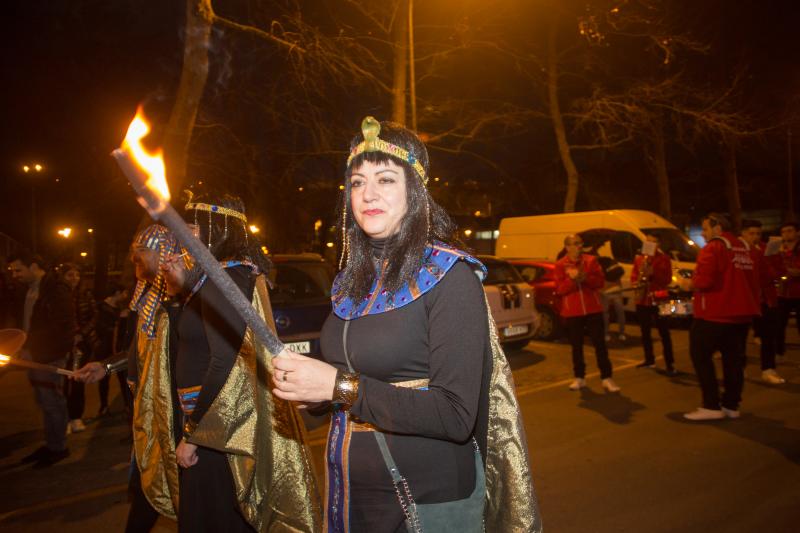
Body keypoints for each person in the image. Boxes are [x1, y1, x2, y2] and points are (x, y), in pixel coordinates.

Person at [271, 117, 540, 532]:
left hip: (427, 502)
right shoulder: (350, 283)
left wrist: (338, 387)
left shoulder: (450, 276)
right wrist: (314, 395)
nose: (368, 193)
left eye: (385, 179)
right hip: (354, 493)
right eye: (357, 182)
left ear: (414, 190)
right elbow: (356, 380)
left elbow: (454, 415)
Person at [172, 193, 319, 533]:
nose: (186, 237)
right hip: (212, 423)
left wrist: (195, 433)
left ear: (218, 229)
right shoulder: (223, 274)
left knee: (216, 519)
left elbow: (225, 360)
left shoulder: (227, 276)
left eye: (193, 228)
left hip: (218, 429)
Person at [76, 225, 183, 532]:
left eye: (142, 253)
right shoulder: (144, 294)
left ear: (162, 253)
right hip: (144, 408)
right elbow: (138, 349)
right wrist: (106, 367)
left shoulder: (178, 300)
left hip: (172, 413)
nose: (134, 259)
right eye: (133, 252)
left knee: (179, 490)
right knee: (146, 485)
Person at [684, 213, 761, 421]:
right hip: (741, 315)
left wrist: (688, 284)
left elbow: (703, 281)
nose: (703, 233)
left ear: (718, 228)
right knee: (733, 361)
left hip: (714, 313)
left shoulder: (714, 247)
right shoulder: (746, 248)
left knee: (700, 356)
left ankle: (711, 405)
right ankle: (731, 405)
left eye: (705, 228)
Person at [8, 251, 74, 467]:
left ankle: (59, 447)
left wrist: (32, 345)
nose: (15, 275)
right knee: (44, 402)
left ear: (34, 266)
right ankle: (52, 444)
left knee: (52, 402)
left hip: (49, 356)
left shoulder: (56, 290)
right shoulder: (28, 289)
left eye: (18, 270)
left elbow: (61, 327)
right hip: (34, 354)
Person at [555, 234, 620, 392]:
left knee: (600, 344)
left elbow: (600, 282)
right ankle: (579, 377)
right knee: (576, 346)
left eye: (580, 243)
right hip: (573, 311)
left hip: (593, 309)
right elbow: (560, 289)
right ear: (567, 247)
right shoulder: (561, 265)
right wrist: (572, 280)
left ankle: (607, 378)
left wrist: (584, 278)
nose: (579, 246)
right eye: (575, 243)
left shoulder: (590, 261)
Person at [741, 220, 786, 384]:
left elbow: (779, 272)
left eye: (758, 234)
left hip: (766, 299)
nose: (755, 237)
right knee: (739, 337)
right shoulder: (739, 251)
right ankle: (739, 368)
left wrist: (774, 256)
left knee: (768, 337)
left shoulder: (766, 249)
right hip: (745, 299)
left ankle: (768, 369)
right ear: (743, 234)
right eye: (751, 233)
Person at [58, 262, 95, 433]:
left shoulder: (85, 294)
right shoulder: (59, 295)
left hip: (82, 344)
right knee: (63, 382)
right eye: (70, 275)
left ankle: (76, 417)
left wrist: (82, 333)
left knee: (78, 379)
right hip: (63, 345)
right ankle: (63, 418)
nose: (74, 278)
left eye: (77, 275)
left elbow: (94, 316)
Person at [631, 233, 676, 374]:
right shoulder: (639, 259)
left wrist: (653, 274)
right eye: (647, 241)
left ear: (658, 245)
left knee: (664, 332)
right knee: (645, 332)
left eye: (653, 242)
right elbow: (634, 276)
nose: (649, 244)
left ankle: (670, 363)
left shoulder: (664, 259)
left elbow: (668, 279)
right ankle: (649, 359)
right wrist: (636, 282)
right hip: (643, 299)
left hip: (660, 298)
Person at [92, 281, 133, 416]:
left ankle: (127, 404)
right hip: (105, 349)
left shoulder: (119, 307)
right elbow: (101, 328)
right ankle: (104, 406)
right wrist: (119, 320)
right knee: (104, 379)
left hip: (118, 349)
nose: (126, 295)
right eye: (124, 293)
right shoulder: (100, 308)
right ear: (117, 293)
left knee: (123, 378)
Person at [771, 221, 800, 357]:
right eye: (783, 232)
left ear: (797, 232)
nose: (786, 234)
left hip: (798, 291)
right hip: (783, 292)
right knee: (779, 323)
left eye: (790, 231)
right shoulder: (778, 248)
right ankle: (779, 351)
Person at [597, 254, 627, 342]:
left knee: (606, 314)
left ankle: (607, 334)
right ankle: (621, 333)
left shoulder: (600, 266)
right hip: (615, 291)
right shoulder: (613, 265)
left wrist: (601, 290)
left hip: (605, 292)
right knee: (620, 312)